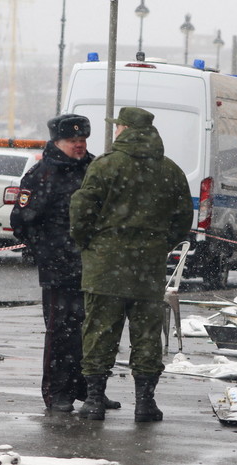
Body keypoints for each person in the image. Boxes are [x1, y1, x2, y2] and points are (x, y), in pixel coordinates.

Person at [69, 107, 193, 422]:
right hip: (147, 269)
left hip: (105, 267)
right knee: (147, 336)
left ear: (124, 129)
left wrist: (88, 244)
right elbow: (182, 220)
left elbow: (82, 210)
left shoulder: (105, 166)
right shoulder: (170, 170)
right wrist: (159, 246)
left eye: (117, 127)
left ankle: (94, 400)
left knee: (99, 332)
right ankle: (145, 403)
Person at [9, 114, 120, 413]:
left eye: (82, 140)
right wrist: (46, 250)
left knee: (93, 332)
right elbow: (22, 220)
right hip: (58, 268)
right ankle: (58, 392)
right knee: (61, 334)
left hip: (94, 266)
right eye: (73, 141)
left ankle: (90, 390)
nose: (79, 145)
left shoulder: (96, 169)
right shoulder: (40, 175)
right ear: (57, 142)